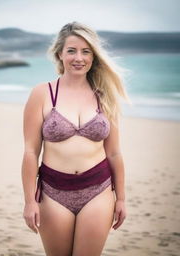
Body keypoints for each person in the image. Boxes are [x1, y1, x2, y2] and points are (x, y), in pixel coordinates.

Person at [21, 21, 128, 256]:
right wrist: (30, 201)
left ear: (94, 56)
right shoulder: (43, 93)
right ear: (60, 54)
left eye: (86, 51)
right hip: (53, 192)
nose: (78, 58)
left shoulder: (104, 95)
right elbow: (30, 151)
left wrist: (120, 198)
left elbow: (114, 153)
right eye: (72, 50)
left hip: (98, 190)